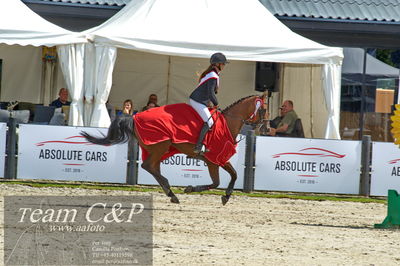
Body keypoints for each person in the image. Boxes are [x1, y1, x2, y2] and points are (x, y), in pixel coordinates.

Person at [189, 52, 229, 154]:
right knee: (209, 121)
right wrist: (216, 103)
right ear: (218, 64)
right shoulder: (212, 75)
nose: (224, 66)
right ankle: (198, 146)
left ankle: (206, 143)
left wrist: (210, 103)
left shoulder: (211, 74)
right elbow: (211, 92)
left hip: (202, 101)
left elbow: (208, 92)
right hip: (197, 101)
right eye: (223, 64)